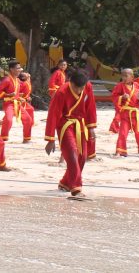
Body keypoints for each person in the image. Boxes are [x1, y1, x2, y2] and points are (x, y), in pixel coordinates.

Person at [45, 69, 97, 198]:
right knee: (72, 155)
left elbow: (90, 106)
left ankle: (65, 183)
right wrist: (50, 139)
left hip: (80, 124)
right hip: (65, 124)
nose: (79, 91)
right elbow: (53, 115)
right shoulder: (61, 92)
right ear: (70, 82)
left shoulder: (88, 86)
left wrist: (91, 127)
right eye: (76, 87)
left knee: (82, 156)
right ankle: (76, 188)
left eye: (81, 88)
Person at [0, 61, 33, 143]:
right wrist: (8, 95)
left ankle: (26, 138)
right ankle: (3, 137)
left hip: (17, 104)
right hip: (9, 104)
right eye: (18, 68)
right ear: (11, 69)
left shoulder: (17, 80)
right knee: (8, 120)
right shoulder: (7, 80)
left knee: (28, 119)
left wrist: (23, 98)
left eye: (20, 68)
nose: (20, 70)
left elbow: (21, 90)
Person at [110, 68, 139, 156]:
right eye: (122, 76)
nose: (124, 78)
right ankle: (121, 150)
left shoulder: (137, 86)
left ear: (132, 77)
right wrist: (121, 97)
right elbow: (114, 96)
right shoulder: (119, 86)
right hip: (125, 114)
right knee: (123, 133)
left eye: (126, 76)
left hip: (135, 114)